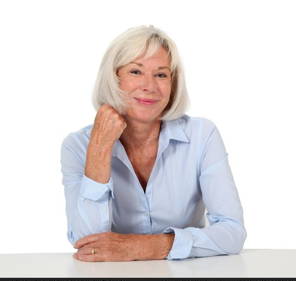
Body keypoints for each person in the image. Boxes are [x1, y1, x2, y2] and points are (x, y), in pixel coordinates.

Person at [60, 25, 247, 262]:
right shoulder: (77, 146)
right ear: (113, 78)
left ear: (173, 83)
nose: (149, 86)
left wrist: (142, 247)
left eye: (161, 74)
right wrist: (100, 147)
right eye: (136, 72)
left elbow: (232, 232)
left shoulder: (202, 135)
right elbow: (88, 243)